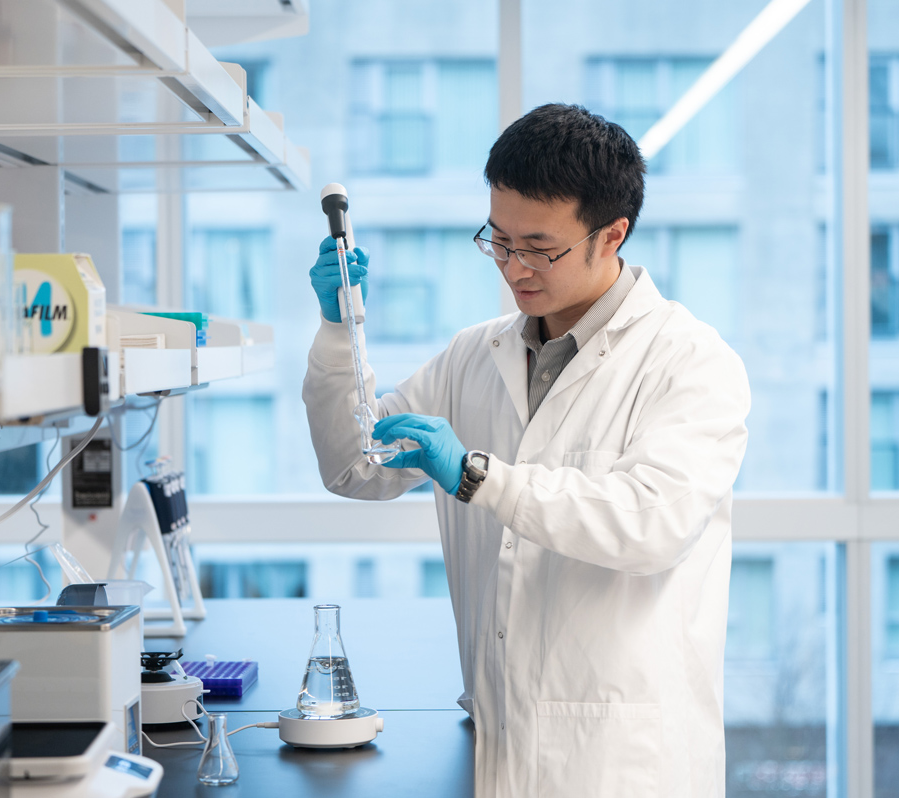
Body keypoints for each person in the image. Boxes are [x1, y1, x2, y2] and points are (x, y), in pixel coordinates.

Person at [303, 103, 750, 797]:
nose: (514, 267)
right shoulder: (472, 357)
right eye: (498, 240)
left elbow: (650, 525)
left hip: (623, 764)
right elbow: (353, 466)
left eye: (539, 247)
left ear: (612, 235)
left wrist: (481, 477)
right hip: (497, 742)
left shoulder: (689, 362)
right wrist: (339, 331)